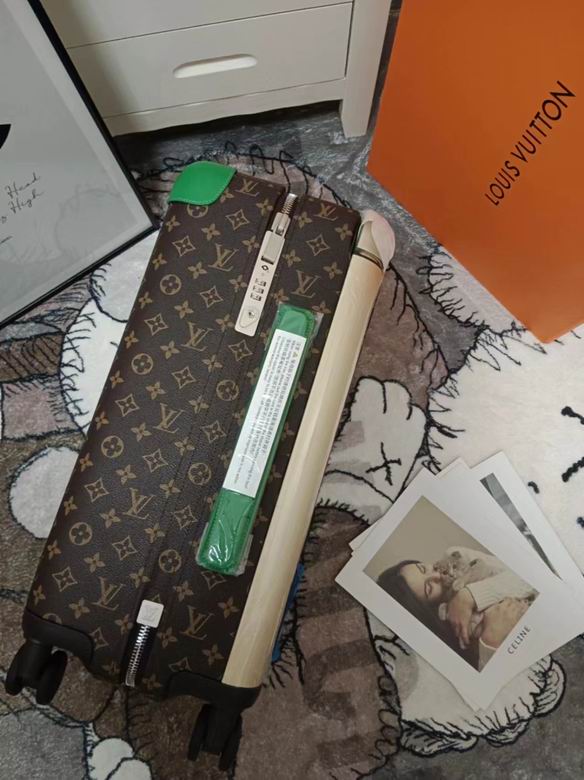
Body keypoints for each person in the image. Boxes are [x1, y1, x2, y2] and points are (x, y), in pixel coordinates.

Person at [377, 558, 534, 669]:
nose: (437, 575)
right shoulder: (450, 644)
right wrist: (490, 641)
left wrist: (468, 596)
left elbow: (530, 576)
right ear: (429, 611)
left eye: (424, 568)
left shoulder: (457, 557)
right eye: (429, 588)